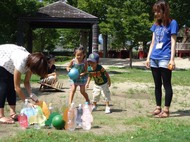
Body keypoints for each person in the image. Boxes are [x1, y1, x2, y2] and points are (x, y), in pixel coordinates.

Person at [145, 0, 178, 118]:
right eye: (155, 12)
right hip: (154, 58)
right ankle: (158, 107)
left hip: (165, 58)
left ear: (164, 10)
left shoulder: (172, 23)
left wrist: (172, 59)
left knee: (166, 84)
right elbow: (153, 42)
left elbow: (173, 42)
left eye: (158, 11)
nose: (156, 14)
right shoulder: (156, 25)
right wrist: (148, 58)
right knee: (157, 84)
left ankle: (166, 110)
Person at [0, 44, 48, 124]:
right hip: (2, 57)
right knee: (3, 84)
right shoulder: (21, 62)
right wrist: (27, 102)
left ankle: (12, 113)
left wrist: (31, 94)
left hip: (9, 62)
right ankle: (1, 116)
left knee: (11, 85)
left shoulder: (32, 62)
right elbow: (17, 87)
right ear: (34, 67)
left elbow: (26, 82)